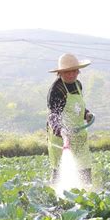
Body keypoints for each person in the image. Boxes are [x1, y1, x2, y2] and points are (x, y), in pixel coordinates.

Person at [47, 53, 94, 184]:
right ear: (60, 73)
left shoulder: (78, 85)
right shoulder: (57, 89)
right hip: (62, 137)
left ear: (78, 72)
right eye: (67, 72)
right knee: (59, 169)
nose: (71, 75)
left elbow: (77, 107)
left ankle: (86, 196)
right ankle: (57, 198)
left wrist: (87, 114)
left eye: (74, 71)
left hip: (79, 137)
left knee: (84, 168)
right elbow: (53, 115)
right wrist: (61, 131)